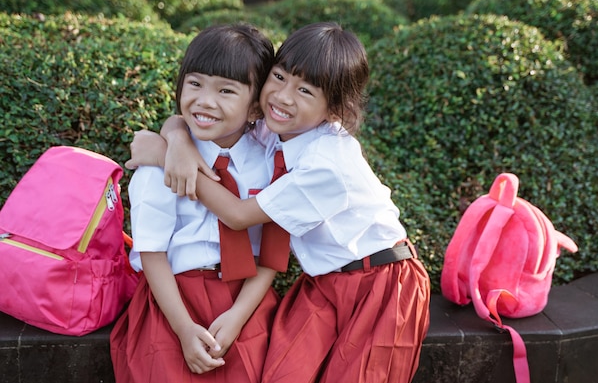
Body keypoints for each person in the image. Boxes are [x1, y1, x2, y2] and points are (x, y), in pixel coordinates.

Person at [127, 22, 431, 383]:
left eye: (305, 90)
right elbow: (201, 117)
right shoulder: (275, 128)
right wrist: (175, 138)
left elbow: (238, 216)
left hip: (381, 282)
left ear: (334, 109)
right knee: (282, 374)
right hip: (322, 281)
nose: (283, 96)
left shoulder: (327, 164)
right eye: (279, 76)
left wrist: (166, 158)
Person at [110, 23, 280, 383]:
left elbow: (271, 253)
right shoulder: (159, 166)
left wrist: (237, 317)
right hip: (173, 301)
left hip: (245, 300)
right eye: (195, 83)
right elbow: (152, 254)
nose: (205, 100)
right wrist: (185, 329)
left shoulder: (269, 161)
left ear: (255, 108)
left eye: (226, 90)